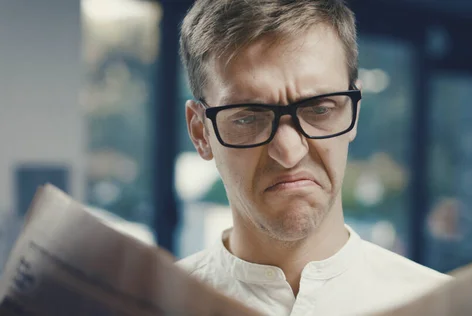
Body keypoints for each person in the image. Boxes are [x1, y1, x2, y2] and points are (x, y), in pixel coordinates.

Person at [177, 0, 450, 314]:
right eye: (249, 117)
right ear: (200, 132)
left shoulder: (446, 307)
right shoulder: (150, 307)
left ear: (354, 113)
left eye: (319, 109)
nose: (289, 152)